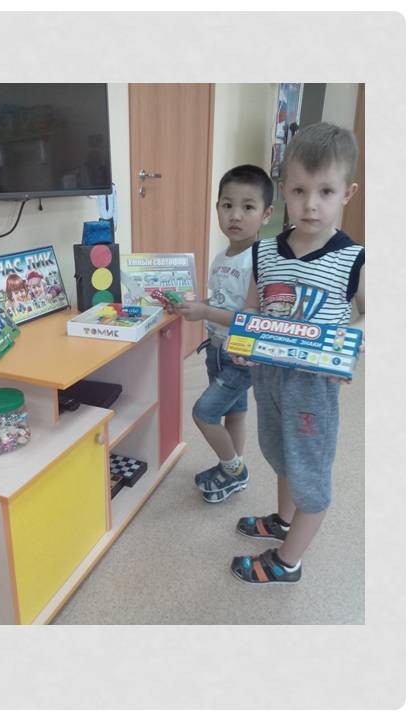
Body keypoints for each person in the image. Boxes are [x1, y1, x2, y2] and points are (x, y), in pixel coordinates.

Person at [228, 122, 364, 584]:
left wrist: (345, 348)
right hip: (268, 379)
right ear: (284, 189)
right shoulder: (264, 252)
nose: (311, 204)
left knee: (309, 473)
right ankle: (283, 522)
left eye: (326, 191)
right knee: (280, 453)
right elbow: (252, 307)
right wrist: (243, 341)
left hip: (313, 388)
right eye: (300, 190)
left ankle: (288, 561)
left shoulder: (354, 258)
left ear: (347, 193)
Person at [174, 165, 274, 503]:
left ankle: (234, 469)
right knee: (235, 411)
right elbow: (220, 302)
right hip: (215, 349)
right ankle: (231, 469)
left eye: (248, 207)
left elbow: (250, 319)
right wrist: (196, 305)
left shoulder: (258, 261)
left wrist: (205, 312)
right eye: (227, 205)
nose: (235, 215)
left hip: (240, 355)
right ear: (217, 207)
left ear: (266, 214)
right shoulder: (221, 257)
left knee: (204, 413)